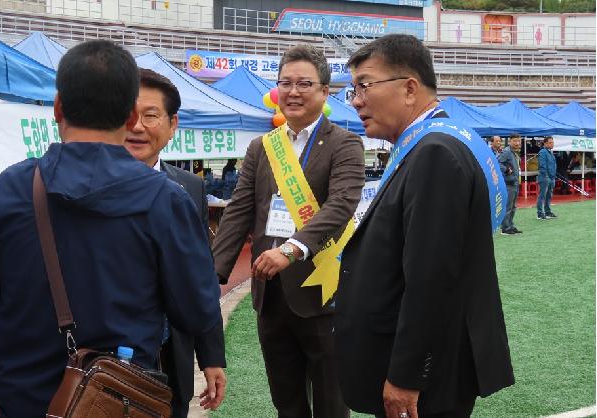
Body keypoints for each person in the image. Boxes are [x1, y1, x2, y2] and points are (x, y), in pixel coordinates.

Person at [0, 40, 222, 417]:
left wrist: (0, 383)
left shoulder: (8, 189)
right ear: (132, 116)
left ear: (57, 109)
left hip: (25, 395)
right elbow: (196, 311)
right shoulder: (165, 200)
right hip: (119, 400)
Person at [336, 34, 514, 418]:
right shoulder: (426, 148)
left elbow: (432, 278)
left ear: (410, 88)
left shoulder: (435, 153)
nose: (355, 100)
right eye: (353, 89)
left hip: (429, 377)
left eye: (364, 85)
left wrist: (407, 375)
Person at [212, 44, 364, 418]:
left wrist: (293, 249)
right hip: (271, 296)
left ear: (325, 92)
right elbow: (239, 212)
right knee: (286, 400)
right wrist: (211, 276)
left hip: (322, 291)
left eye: (304, 84)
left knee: (331, 401)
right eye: (285, 84)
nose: (292, 92)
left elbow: (341, 206)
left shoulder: (346, 144)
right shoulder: (262, 147)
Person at [124, 68, 226, 417]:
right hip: (109, 357)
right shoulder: (83, 187)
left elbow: (200, 275)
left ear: (172, 125)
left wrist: (210, 355)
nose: (136, 126)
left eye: (150, 115)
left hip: (172, 350)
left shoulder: (189, 187)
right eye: (127, 114)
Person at [498, 133, 522, 235]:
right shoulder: (507, 152)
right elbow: (498, 163)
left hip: (514, 183)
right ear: (510, 141)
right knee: (508, 207)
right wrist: (507, 170)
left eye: (518, 141)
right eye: (515, 141)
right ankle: (505, 228)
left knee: (513, 206)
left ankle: (510, 225)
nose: (517, 143)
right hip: (509, 183)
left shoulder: (514, 152)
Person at [537, 136, 557, 219]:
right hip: (545, 177)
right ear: (545, 143)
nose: (552, 144)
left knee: (549, 195)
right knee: (542, 196)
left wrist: (553, 176)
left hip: (551, 177)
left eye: (552, 142)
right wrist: (546, 176)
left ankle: (548, 211)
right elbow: (542, 165)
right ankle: (540, 213)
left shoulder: (550, 152)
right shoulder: (543, 152)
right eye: (550, 142)